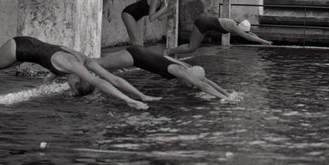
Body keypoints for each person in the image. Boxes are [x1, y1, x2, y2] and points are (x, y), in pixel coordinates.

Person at [0, 36, 160, 118]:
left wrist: (141, 95)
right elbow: (100, 82)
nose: (68, 86)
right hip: (19, 48)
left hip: (28, 51)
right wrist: (127, 101)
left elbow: (113, 78)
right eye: (72, 87)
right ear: (77, 80)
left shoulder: (84, 60)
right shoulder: (73, 66)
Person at [95, 46, 231, 99]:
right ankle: (80, 65)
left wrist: (227, 94)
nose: (191, 85)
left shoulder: (187, 67)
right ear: (189, 76)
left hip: (139, 52)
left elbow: (206, 81)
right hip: (134, 57)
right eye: (191, 83)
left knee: (98, 63)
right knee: (97, 63)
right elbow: (203, 86)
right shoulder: (179, 70)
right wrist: (224, 99)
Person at [164, 17, 272, 56]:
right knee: (191, 47)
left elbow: (250, 34)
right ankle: (168, 52)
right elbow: (248, 37)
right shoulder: (233, 26)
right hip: (202, 24)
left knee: (193, 47)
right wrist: (263, 42)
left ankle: (171, 53)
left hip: (204, 25)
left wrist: (264, 40)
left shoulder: (237, 23)